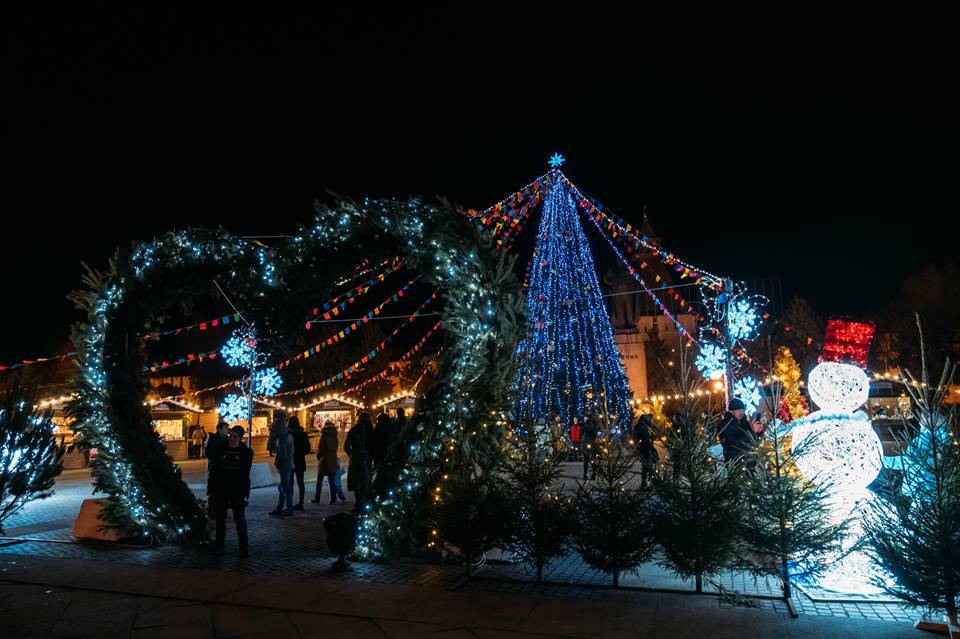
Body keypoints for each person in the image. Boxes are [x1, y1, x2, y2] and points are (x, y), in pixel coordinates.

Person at [209, 425, 253, 557]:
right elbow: (214, 469)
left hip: (237, 490)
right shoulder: (221, 449)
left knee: (239, 519)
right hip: (221, 489)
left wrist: (244, 492)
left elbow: (245, 473)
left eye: (235, 437)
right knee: (220, 519)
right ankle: (219, 546)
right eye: (230, 436)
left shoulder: (245, 452)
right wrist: (212, 488)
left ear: (240, 438)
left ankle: (243, 548)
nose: (232, 439)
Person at [344, 411, 374, 508]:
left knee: (357, 481)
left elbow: (346, 446)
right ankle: (366, 501)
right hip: (366, 457)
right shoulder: (371, 431)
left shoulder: (353, 430)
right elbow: (374, 445)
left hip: (356, 457)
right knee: (366, 480)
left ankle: (358, 502)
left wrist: (351, 454)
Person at [267, 413, 295, 517]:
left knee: (285, 487)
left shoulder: (282, 439)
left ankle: (288, 509)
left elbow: (282, 455)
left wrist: (277, 463)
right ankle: (281, 507)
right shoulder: (289, 436)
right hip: (289, 464)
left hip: (284, 465)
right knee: (284, 487)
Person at [717, 398, 756, 467]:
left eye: (742, 410)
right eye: (738, 410)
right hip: (734, 462)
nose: (741, 412)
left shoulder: (744, 422)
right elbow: (732, 444)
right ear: (731, 411)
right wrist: (751, 432)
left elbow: (753, 439)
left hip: (748, 460)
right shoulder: (724, 425)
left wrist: (757, 431)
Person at [312, 420, 342, 504]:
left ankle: (317, 498)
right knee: (331, 480)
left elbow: (321, 449)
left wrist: (318, 456)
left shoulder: (324, 436)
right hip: (332, 459)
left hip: (324, 460)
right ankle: (333, 498)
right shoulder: (335, 437)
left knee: (319, 480)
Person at [205, 422, 230, 511]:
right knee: (214, 490)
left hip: (225, 469)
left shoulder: (228, 439)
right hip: (215, 468)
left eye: (227, 428)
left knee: (224, 490)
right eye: (225, 428)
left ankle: (222, 507)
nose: (227, 430)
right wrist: (219, 455)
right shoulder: (213, 438)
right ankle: (211, 509)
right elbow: (207, 453)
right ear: (219, 429)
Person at [288, 415, 310, 510]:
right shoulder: (302, 433)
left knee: (290, 482)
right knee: (300, 482)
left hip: (291, 460)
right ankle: (301, 502)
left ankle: (290, 502)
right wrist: (301, 453)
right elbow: (307, 448)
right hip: (300, 460)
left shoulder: (289, 433)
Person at [632, 413, 659, 488]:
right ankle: (649, 483)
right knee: (647, 467)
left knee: (646, 467)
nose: (651, 421)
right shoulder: (642, 427)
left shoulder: (642, 426)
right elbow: (645, 439)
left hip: (645, 449)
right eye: (650, 420)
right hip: (644, 450)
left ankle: (645, 484)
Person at [581, 414, 600, 481]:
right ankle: (593, 475)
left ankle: (585, 475)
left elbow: (582, 430)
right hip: (593, 444)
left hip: (587, 444)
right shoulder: (596, 426)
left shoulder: (586, 426)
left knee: (586, 460)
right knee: (593, 460)